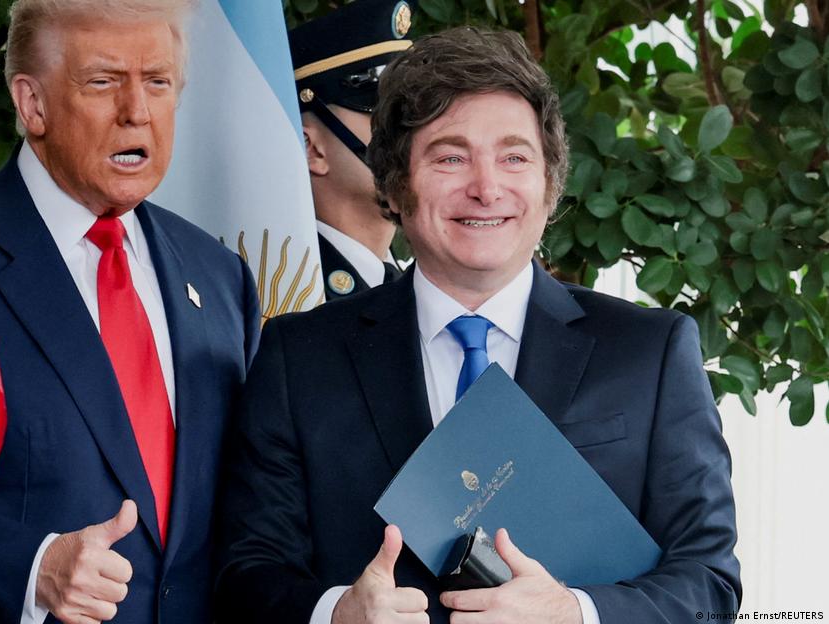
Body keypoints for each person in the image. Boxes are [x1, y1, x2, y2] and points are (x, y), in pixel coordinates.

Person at [215, 26, 740, 624]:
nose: (486, 188)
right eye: (451, 157)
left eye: (514, 157)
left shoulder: (651, 351)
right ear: (395, 182)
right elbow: (245, 572)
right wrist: (336, 614)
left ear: (549, 184)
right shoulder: (298, 356)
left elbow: (708, 579)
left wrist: (577, 614)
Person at [0, 1, 260, 623]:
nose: (137, 111)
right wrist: (31, 569)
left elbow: (246, 515)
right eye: (104, 82)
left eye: (158, 82)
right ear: (32, 104)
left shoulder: (219, 277)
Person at [288, 0, 414, 300]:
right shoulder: (287, 294)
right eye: (384, 118)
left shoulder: (416, 289)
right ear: (311, 149)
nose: (412, 134)